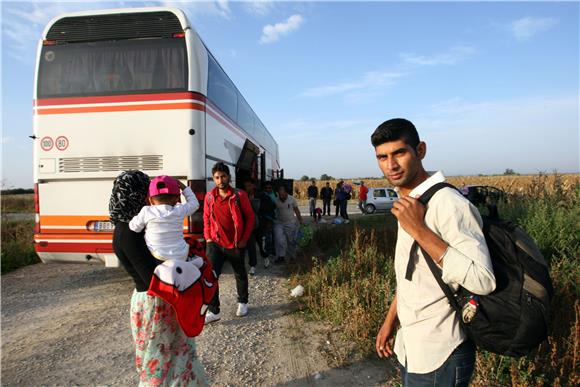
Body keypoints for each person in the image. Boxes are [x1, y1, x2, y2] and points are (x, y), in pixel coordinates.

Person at [372, 118, 496, 386]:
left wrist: (420, 231)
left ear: (420, 150)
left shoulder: (449, 204)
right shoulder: (410, 202)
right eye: (382, 157)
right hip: (413, 347)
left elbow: (483, 279)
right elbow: (413, 276)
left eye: (399, 153)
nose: (390, 165)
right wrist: (390, 321)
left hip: (442, 353)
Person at [109, 170, 207, 386]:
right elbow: (151, 274)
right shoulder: (130, 233)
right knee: (162, 362)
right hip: (158, 301)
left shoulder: (125, 226)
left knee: (168, 358)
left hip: (150, 299)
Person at [203, 162, 255, 323]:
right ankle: (214, 310)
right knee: (211, 277)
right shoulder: (210, 196)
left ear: (229, 177)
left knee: (239, 274)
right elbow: (206, 218)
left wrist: (244, 240)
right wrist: (208, 237)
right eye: (217, 177)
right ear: (214, 178)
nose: (220, 180)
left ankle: (243, 302)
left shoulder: (239, 196)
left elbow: (250, 218)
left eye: (223, 176)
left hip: (235, 244)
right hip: (215, 244)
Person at [129, 175, 199, 261]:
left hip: (157, 255)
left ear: (150, 200)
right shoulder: (179, 210)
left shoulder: (147, 211)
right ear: (177, 199)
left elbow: (134, 227)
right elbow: (194, 204)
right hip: (181, 254)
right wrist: (184, 187)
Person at [273, 185, 303, 264]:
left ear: (286, 193)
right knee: (279, 239)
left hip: (290, 223)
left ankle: (292, 256)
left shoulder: (292, 199)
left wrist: (300, 220)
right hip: (279, 223)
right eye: (280, 195)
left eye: (283, 195)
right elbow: (273, 211)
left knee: (291, 240)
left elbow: (296, 210)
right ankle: (281, 256)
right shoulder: (276, 201)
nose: (281, 196)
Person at [242, 178, 260, 275]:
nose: (247, 188)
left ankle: (253, 265)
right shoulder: (243, 195)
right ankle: (250, 265)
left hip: (255, 225)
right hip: (244, 224)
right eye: (246, 186)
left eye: (249, 186)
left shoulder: (259, 195)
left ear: (253, 185)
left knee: (254, 246)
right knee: (247, 246)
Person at [258, 181, 277, 267]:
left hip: (276, 218)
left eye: (270, 188)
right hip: (268, 219)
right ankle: (269, 252)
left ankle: (273, 250)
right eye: (266, 188)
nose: (268, 189)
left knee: (274, 235)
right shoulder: (263, 196)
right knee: (268, 236)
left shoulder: (275, 194)